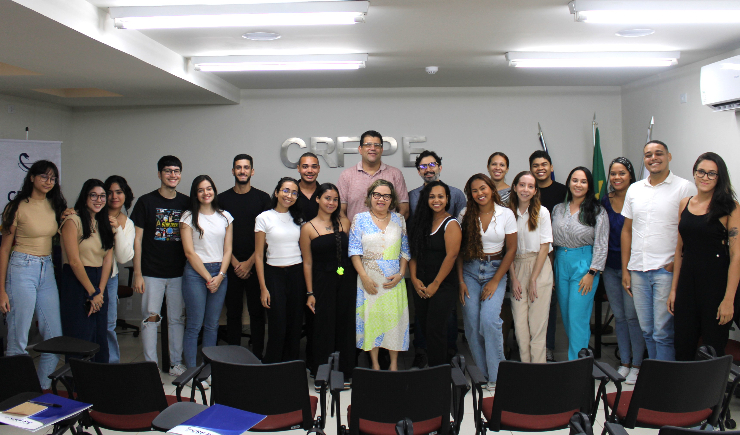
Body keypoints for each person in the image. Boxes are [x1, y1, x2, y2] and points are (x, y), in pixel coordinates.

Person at [622, 140, 696, 361]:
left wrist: (676, 261)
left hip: (666, 270)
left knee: (663, 332)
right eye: (648, 155)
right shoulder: (634, 189)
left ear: (669, 156)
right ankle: (653, 381)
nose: (653, 158)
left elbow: (690, 230)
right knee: (647, 330)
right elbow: (627, 231)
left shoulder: (684, 188)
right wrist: (626, 269)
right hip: (638, 270)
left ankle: (664, 385)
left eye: (658, 153)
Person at [0, 160, 67, 388]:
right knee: (18, 337)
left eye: (52, 178)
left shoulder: (54, 205)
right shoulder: (17, 206)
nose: (48, 182)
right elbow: (4, 249)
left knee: (55, 338)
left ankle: (40, 391)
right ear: (31, 178)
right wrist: (1, 291)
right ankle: (15, 393)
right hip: (21, 268)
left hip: (47, 269)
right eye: (43, 177)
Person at [669, 152, 740, 361]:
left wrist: (729, 300)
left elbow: (736, 257)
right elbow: (679, 250)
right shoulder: (685, 203)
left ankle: (709, 394)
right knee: (682, 345)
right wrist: (674, 290)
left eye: (712, 173)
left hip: (716, 287)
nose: (705, 177)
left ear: (720, 177)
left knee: (712, 350)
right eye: (701, 171)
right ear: (694, 172)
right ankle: (684, 393)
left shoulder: (730, 208)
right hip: (687, 285)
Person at [457, 174, 517, 390]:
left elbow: (511, 250)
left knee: (490, 321)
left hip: (495, 271)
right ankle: (482, 376)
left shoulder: (506, 214)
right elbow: (459, 252)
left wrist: (496, 280)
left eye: (483, 188)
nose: (479, 193)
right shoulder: (465, 214)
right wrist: (461, 281)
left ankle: (498, 375)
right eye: (474, 191)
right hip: (470, 272)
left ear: (491, 188)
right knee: (472, 325)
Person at [131, 155, 190, 376]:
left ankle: (175, 362)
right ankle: (150, 366)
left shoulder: (186, 202)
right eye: (168, 171)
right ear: (159, 174)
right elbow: (137, 239)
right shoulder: (146, 202)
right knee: (150, 318)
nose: (173, 175)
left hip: (179, 273)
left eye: (176, 171)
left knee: (176, 319)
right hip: (151, 272)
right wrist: (137, 273)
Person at [407, 150, 466, 369]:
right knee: (425, 326)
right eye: (432, 197)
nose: (436, 200)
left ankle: (442, 371)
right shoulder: (420, 222)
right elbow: (412, 251)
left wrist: (435, 284)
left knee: (437, 328)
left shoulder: (451, 223)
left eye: (440, 197)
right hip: (420, 281)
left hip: (441, 283)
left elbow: (452, 254)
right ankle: (430, 367)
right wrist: (413, 278)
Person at [349, 179, 410, 370]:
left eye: (386, 195)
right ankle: (375, 365)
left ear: (392, 199)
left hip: (394, 282)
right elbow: (354, 251)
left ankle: (393, 365)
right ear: (370, 197)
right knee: (372, 322)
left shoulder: (399, 219)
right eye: (377, 195)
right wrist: (365, 277)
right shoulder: (359, 219)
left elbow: (405, 251)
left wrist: (401, 274)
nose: (381, 199)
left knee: (395, 324)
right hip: (369, 281)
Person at [300, 183, 357, 379]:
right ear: (317, 199)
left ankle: (345, 372)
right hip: (321, 282)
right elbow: (307, 263)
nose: (331, 202)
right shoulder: (308, 228)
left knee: (346, 325)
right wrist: (310, 293)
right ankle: (321, 373)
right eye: (327, 198)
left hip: (346, 279)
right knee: (322, 327)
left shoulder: (345, 223)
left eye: (335, 199)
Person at [552, 167, 608, 361]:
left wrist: (592, 273)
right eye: (575, 180)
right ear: (569, 183)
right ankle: (581, 359)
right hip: (561, 261)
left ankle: (577, 366)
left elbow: (601, 245)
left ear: (589, 186)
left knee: (578, 318)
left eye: (583, 181)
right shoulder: (558, 209)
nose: (578, 185)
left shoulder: (598, 211)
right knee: (567, 317)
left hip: (585, 266)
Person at [218, 154, 271, 358]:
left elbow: (268, 234)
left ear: (252, 171)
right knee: (233, 313)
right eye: (238, 167)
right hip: (230, 265)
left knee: (258, 313)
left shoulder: (262, 198)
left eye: (246, 167)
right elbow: (219, 233)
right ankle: (234, 355)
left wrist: (249, 263)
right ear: (233, 171)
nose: (242, 171)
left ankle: (257, 354)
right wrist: (235, 263)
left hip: (256, 264)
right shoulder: (222, 199)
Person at [180, 175, 233, 379]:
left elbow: (228, 250)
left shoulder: (225, 217)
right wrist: (208, 277)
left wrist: (219, 276)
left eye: (209, 188)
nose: (206, 193)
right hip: (195, 273)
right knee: (194, 324)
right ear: (196, 194)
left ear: (214, 190)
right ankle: (192, 371)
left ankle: (209, 368)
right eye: (201, 190)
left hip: (220, 272)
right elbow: (189, 252)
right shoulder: (187, 217)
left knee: (212, 325)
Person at [59, 179, 115, 362]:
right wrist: (92, 292)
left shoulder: (104, 223)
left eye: (102, 196)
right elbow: (74, 261)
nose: (98, 200)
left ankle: (99, 385)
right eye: (94, 195)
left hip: (99, 281)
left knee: (99, 336)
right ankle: (77, 387)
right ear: (85, 197)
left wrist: (100, 291)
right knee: (79, 336)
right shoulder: (72, 221)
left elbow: (108, 259)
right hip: (77, 281)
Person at [600, 158, 645, 384]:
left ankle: (637, 364)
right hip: (610, 267)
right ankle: (624, 362)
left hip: (633, 268)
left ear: (630, 175)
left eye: (622, 173)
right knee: (619, 316)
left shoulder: (639, 198)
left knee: (632, 317)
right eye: (613, 174)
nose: (617, 177)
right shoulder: (605, 200)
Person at [255, 177, 304, 363]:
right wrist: (263, 287)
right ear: (276, 192)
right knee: (278, 325)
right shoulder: (263, 218)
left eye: (293, 192)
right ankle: (272, 366)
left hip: (296, 273)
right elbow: (259, 255)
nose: (289, 195)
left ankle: (291, 366)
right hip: (273, 274)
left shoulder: (298, 218)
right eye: (285, 190)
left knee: (294, 324)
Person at [507, 171, 553, 363]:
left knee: (537, 325)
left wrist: (534, 278)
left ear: (535, 191)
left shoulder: (542, 212)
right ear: (515, 187)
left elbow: (544, 247)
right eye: (522, 185)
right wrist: (514, 278)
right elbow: (507, 249)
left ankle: (539, 371)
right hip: (516, 266)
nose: (525, 189)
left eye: (530, 186)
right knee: (520, 325)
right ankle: (526, 369)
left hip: (539, 267)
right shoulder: (507, 213)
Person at [529, 150, 567, 362]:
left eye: (544, 164)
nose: (540, 168)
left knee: (549, 302)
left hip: (556, 253)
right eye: (535, 165)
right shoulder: (528, 190)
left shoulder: (563, 191)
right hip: (530, 253)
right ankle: (529, 345)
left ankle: (548, 346)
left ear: (551, 167)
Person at [338, 130, 410, 222]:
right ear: (360, 149)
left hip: (388, 235)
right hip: (355, 234)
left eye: (377, 145)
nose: (373, 148)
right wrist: (351, 231)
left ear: (381, 150)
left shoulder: (395, 174)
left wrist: (390, 230)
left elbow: (404, 209)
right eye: (368, 145)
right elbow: (340, 211)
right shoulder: (347, 175)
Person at [104, 175, 135, 364]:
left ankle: (111, 365)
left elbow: (123, 257)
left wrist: (117, 229)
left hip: (110, 277)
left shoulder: (127, 223)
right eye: (109, 192)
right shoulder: (93, 212)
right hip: (87, 274)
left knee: (108, 325)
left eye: (119, 192)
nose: (114, 196)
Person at [297, 152, 321, 222]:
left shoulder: (324, 194)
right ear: (298, 168)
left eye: (314, 167)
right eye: (305, 167)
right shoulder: (290, 194)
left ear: (318, 169)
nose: (310, 171)